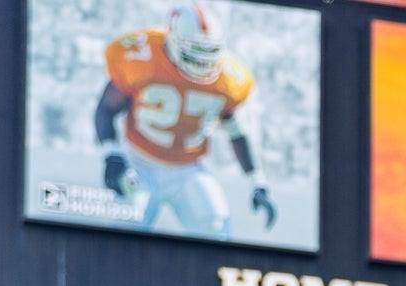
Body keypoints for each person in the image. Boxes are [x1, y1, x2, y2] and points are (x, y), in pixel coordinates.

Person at [95, 3, 275, 242]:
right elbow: (106, 109)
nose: (203, 62)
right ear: (173, 42)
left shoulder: (228, 78)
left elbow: (236, 131)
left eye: (209, 52)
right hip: (138, 161)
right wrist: (113, 154)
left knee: (218, 231)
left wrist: (257, 181)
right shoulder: (143, 56)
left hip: (188, 168)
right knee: (124, 238)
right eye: (195, 51)